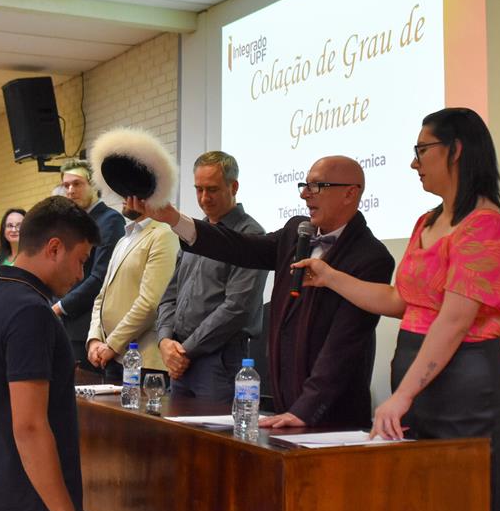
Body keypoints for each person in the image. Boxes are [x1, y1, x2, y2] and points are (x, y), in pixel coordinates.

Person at [292, 108, 500, 511]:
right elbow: (402, 300)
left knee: (465, 502)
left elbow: (453, 321)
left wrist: (401, 397)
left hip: (466, 389)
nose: (414, 164)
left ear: (456, 150)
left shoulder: (485, 226)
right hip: (422, 382)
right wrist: (330, 277)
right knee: (422, 501)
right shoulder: (427, 221)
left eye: (422, 150)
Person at [128, 155, 395, 428]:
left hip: (331, 413)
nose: (305, 194)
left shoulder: (371, 257)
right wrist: (174, 219)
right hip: (286, 400)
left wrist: (304, 410)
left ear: (350, 193)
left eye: (317, 186)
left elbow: (343, 346)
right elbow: (241, 247)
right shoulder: (296, 231)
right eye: (304, 185)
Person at [0, 195, 100, 511]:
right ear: (54, 248)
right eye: (80, 260)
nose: (80, 274)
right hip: (24, 505)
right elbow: (29, 426)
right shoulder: (30, 312)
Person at [156, 151, 267, 403]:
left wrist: (184, 351)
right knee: (175, 428)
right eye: (199, 189)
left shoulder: (250, 235)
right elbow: (170, 296)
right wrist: (164, 340)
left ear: (234, 187)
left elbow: (237, 307)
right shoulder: (194, 233)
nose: (204, 198)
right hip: (179, 358)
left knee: (214, 429)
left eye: (213, 189)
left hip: (219, 360)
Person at [86, 199, 178, 379]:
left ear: (150, 195)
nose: (124, 197)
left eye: (130, 191)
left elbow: (150, 303)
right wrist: (95, 339)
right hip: (111, 355)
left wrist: (112, 344)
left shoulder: (164, 235)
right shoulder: (123, 239)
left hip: (143, 360)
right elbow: (101, 297)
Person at [51, 160, 125, 370]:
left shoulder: (110, 220)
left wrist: (60, 307)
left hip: (86, 327)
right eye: (66, 185)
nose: (70, 190)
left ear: (94, 185)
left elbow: (100, 277)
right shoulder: (70, 222)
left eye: (77, 184)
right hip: (62, 323)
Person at [0, 207, 26, 286]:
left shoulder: (31, 259)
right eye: (10, 225)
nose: (14, 230)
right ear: (4, 230)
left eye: (19, 225)